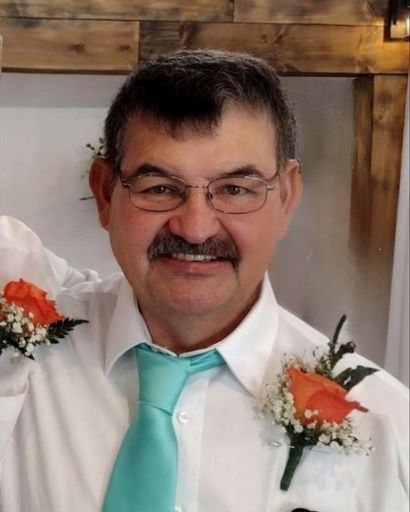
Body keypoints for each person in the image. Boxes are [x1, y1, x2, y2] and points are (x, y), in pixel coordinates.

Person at [0, 49, 408, 512]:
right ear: (105, 194)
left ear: (286, 196)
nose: (195, 228)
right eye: (159, 188)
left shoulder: (389, 435)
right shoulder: (22, 347)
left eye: (235, 189)